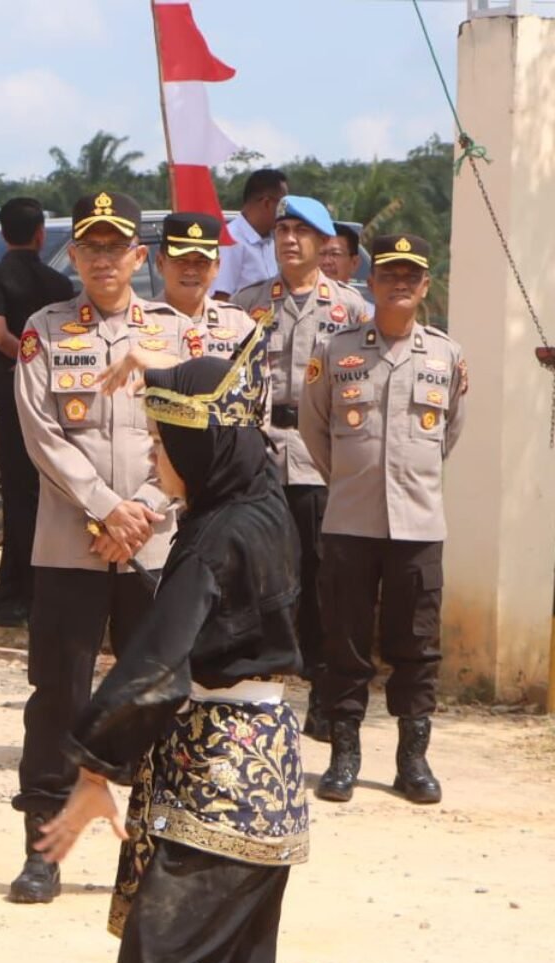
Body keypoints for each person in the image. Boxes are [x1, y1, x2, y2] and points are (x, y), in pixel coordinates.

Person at [37, 334, 375, 963]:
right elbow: (226, 396)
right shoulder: (260, 500)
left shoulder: (218, 538)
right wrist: (153, 371)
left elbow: (154, 662)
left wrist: (94, 768)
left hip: (218, 769)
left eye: (159, 442)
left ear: (195, 447)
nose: (153, 456)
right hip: (257, 763)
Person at [8, 191, 170, 906]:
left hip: (153, 545)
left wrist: (145, 511)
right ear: (71, 255)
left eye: (117, 247)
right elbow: (42, 435)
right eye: (91, 248)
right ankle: (43, 852)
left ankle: (150, 856)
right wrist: (107, 510)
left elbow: (193, 437)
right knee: (58, 698)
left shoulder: (172, 336)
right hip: (71, 544)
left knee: (151, 700)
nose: (104, 260)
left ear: (140, 255)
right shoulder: (43, 332)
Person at [299, 234, 465, 804]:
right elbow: (314, 431)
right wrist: (352, 479)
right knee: (344, 643)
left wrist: (406, 482)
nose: (399, 282)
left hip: (418, 529)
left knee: (417, 647)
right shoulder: (336, 351)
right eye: (389, 273)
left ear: (424, 286)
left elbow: (449, 434)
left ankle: (412, 759)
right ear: (371, 281)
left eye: (410, 275)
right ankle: (343, 755)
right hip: (350, 522)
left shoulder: (447, 356)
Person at [232, 196, 369, 740]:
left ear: (322, 243)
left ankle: (321, 690)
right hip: (262, 458)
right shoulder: (247, 303)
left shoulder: (352, 310)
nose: (289, 239)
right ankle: (264, 688)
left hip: (318, 460)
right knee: (262, 578)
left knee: (319, 581)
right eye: (282, 229)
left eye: (301, 232)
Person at [0, 197, 75, 628]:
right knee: (35, 490)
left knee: (19, 493)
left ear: (2, 233)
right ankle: (10, 583)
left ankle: (24, 592)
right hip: (55, 397)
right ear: (39, 235)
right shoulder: (59, 283)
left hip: (15, 393)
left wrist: (28, 362)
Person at [139, 212, 258, 359]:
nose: (190, 271)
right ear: (160, 263)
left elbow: (257, 379)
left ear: (217, 267)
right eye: (181, 260)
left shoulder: (239, 324)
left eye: (202, 262)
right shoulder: (137, 325)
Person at [211, 168, 289, 300]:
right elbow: (220, 299)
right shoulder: (230, 240)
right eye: (283, 205)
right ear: (267, 203)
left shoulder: (270, 240)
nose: (285, 212)